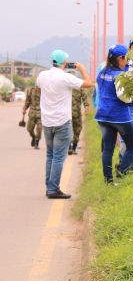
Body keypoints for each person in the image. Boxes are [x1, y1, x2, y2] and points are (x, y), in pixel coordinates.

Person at [36, 50, 94, 199]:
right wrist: (82, 70)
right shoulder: (66, 78)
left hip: (47, 122)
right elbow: (89, 84)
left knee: (50, 155)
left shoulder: (42, 76)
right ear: (63, 63)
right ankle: (53, 189)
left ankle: (49, 187)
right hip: (61, 122)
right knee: (58, 157)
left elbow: (38, 88)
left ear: (51, 62)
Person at [95, 44, 133, 184]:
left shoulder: (103, 72)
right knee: (132, 145)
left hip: (103, 114)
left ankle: (108, 180)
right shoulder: (120, 75)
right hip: (119, 116)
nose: (127, 61)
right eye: (126, 58)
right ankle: (121, 174)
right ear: (120, 58)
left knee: (108, 149)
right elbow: (123, 97)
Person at [69, 81, 90, 155]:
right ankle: (70, 147)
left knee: (77, 129)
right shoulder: (64, 86)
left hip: (76, 113)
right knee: (68, 130)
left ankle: (73, 146)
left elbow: (84, 98)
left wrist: (86, 107)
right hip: (67, 113)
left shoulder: (79, 87)